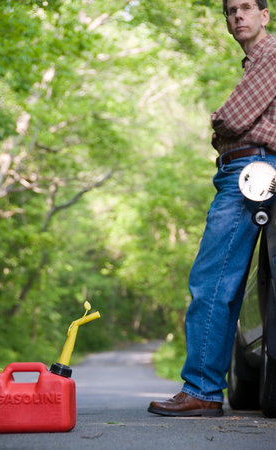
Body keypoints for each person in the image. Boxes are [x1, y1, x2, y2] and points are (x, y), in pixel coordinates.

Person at [148, 0, 276, 417]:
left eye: (245, 8)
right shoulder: (254, 63)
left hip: (251, 170)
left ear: (264, 14)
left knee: (212, 280)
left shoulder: (271, 55)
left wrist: (217, 121)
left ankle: (202, 390)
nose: (237, 16)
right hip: (244, 169)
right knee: (234, 283)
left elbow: (232, 120)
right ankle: (205, 386)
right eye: (229, 11)